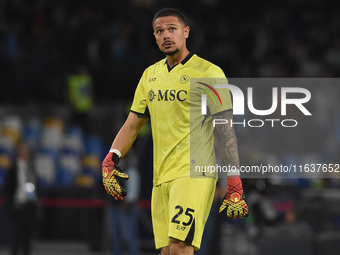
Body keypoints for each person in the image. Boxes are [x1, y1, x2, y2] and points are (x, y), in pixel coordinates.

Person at [102, 8, 249, 255]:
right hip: (161, 176)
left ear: (186, 32)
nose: (166, 35)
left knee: (181, 247)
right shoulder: (150, 76)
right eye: (160, 31)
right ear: (154, 36)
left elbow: (226, 130)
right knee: (169, 250)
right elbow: (131, 125)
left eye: (172, 29)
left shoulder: (209, 73)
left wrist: (234, 180)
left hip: (194, 172)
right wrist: (110, 158)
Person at [4, 143, 39, 255]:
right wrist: (10, 205)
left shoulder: (31, 168)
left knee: (27, 237)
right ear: (18, 153)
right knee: (16, 236)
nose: (25, 154)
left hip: (30, 205)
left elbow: (36, 186)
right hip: (18, 205)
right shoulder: (13, 169)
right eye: (22, 152)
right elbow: (7, 189)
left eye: (26, 152)